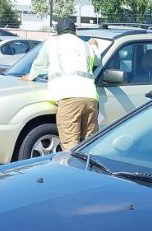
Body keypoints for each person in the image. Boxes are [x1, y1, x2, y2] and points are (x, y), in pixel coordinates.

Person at [24, 16, 98, 151]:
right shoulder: (85, 45)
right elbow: (97, 61)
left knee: (70, 145)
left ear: (57, 32)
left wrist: (30, 77)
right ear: (75, 31)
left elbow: (39, 63)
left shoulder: (53, 43)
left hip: (68, 97)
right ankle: (88, 171)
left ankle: (71, 171)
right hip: (91, 98)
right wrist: (94, 45)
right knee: (89, 144)